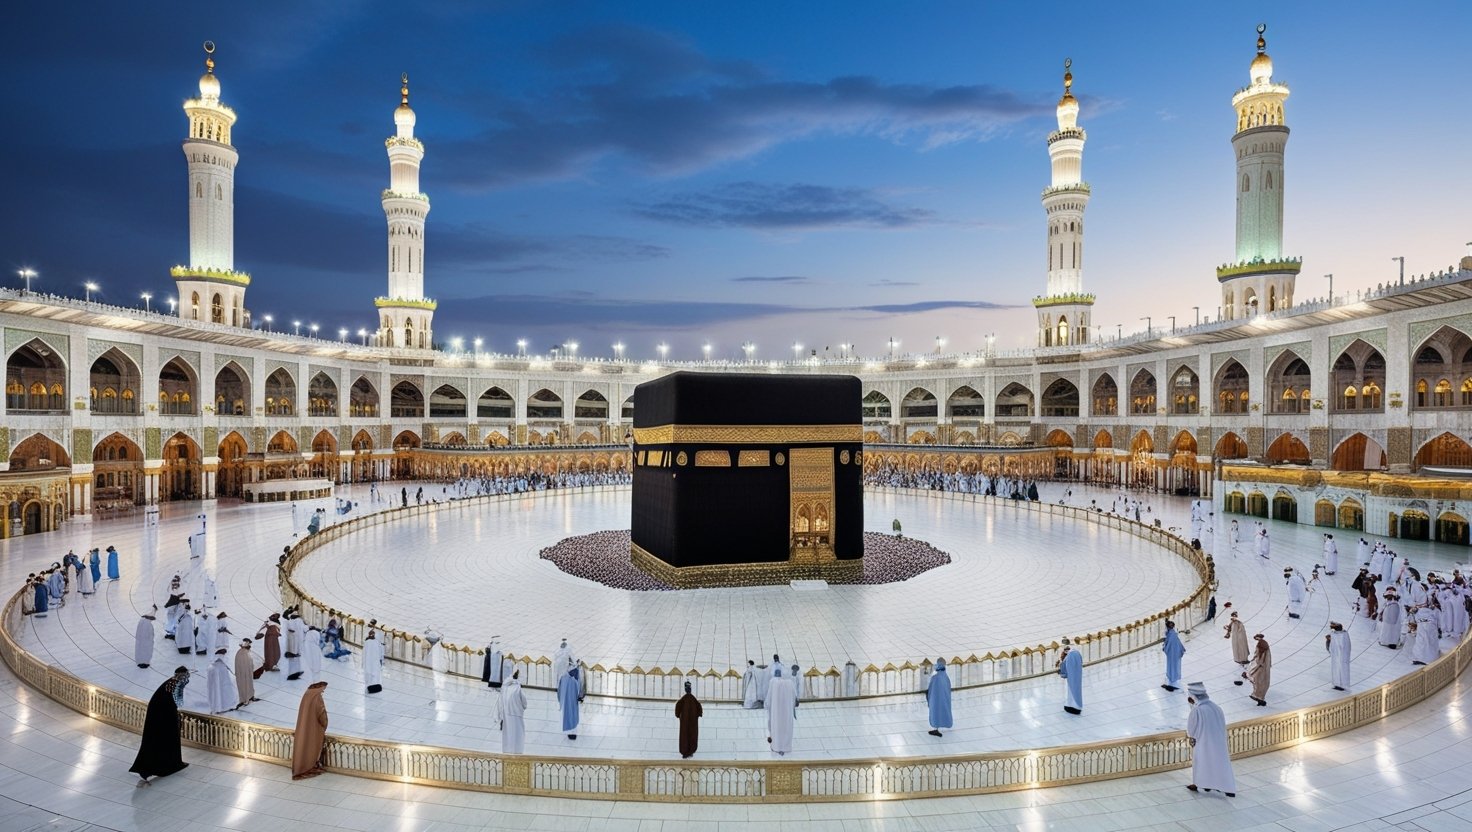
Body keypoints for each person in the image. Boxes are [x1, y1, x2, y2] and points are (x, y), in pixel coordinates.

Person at [129, 667, 191, 786]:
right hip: (163, 715)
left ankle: (165, 765)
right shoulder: (175, 684)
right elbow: (179, 702)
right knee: (165, 739)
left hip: (161, 715)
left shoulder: (171, 682)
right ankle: (166, 765)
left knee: (161, 739)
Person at [1184, 681, 1236, 797]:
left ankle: (1200, 783)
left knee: (1202, 763)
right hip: (1219, 742)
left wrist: (1191, 737)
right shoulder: (1216, 707)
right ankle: (1226, 787)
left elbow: (1191, 729)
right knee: (1219, 763)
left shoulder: (1197, 710)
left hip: (1203, 742)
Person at [291, 681, 330, 780]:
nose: (323, 692)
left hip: (304, 725)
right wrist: (325, 724)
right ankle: (308, 766)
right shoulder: (317, 697)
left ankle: (300, 766)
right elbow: (321, 713)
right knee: (311, 746)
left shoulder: (307, 695)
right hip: (313, 727)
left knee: (303, 744)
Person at [765, 666, 797, 755]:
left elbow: (769, 697)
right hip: (786, 711)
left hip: (776, 712)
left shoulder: (773, 682)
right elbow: (794, 696)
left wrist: (767, 705)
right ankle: (786, 747)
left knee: (776, 727)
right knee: (786, 727)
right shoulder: (789, 683)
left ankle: (777, 746)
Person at [498, 670, 527, 754]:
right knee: (517, 734)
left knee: (508, 733)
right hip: (517, 714)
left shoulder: (505, 687)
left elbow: (501, 702)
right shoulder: (518, 688)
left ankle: (507, 750)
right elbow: (525, 704)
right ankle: (517, 751)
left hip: (507, 714)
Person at [926, 657, 953, 737]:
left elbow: (931, 689)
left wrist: (929, 699)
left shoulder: (935, 677)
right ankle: (938, 727)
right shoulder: (946, 677)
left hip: (935, 700)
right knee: (942, 712)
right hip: (944, 699)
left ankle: (936, 729)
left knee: (935, 713)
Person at [675, 681, 702, 758]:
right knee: (692, 735)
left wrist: (678, 715)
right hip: (693, 721)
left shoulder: (683, 699)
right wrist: (698, 714)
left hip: (684, 721)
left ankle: (685, 752)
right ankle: (690, 751)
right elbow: (699, 708)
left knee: (684, 735)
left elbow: (678, 708)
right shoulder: (693, 699)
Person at [1058, 639, 1083, 714]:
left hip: (1071, 677)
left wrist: (1062, 673)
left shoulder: (1068, 656)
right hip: (1077, 676)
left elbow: (1064, 669)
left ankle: (1073, 707)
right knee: (1077, 690)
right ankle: (1076, 706)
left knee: (1070, 692)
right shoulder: (1076, 652)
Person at [207, 647, 235, 714]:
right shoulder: (221, 663)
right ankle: (222, 707)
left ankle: (216, 707)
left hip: (216, 678)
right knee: (221, 691)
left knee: (215, 692)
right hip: (221, 679)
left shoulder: (212, 664)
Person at [558, 666, 582, 740]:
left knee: (570, 715)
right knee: (573, 716)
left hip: (569, 699)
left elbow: (559, 691)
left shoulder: (564, 677)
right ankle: (572, 732)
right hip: (572, 699)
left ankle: (571, 732)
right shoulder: (573, 676)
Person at [1246, 634, 1271, 705]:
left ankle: (1258, 696)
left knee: (1258, 678)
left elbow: (1258, 653)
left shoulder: (1261, 644)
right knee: (1259, 679)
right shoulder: (1264, 643)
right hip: (1264, 664)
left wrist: (1256, 660)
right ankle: (1259, 697)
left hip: (1261, 664)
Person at [234, 639, 260, 709]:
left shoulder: (242, 652)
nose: (250, 646)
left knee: (248, 684)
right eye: (249, 645)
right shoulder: (242, 653)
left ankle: (251, 697)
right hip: (243, 674)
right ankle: (245, 699)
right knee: (244, 685)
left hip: (247, 673)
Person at [1325, 622, 1351, 691]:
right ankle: (1337, 684)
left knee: (1341, 669)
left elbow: (1340, 645)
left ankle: (1342, 684)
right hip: (1337, 655)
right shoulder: (1342, 634)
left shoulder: (1340, 635)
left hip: (1341, 655)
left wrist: (1329, 640)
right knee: (1336, 669)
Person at [1161, 620, 1186, 691]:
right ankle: (1171, 678)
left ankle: (1173, 679)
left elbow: (1169, 644)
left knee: (1173, 666)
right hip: (1173, 653)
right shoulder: (1171, 633)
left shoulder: (1172, 634)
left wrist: (1164, 648)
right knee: (1172, 665)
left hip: (1173, 653)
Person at [1224, 610, 1249, 677]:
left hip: (1240, 639)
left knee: (1241, 649)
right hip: (1235, 638)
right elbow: (1229, 628)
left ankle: (1243, 660)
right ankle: (1238, 660)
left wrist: (1239, 636)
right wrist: (1227, 628)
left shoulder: (1239, 623)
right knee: (1236, 649)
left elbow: (1242, 631)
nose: (1234, 617)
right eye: (1233, 616)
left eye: (1235, 616)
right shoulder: (1232, 622)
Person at [363, 629, 384, 693]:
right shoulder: (371, 642)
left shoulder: (375, 642)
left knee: (373, 673)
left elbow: (380, 652)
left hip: (373, 661)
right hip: (371, 661)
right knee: (372, 673)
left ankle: (372, 685)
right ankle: (372, 686)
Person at [285, 613, 304, 681]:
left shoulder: (298, 622)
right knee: (293, 660)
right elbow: (291, 630)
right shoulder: (291, 622)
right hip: (292, 646)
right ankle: (292, 675)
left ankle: (296, 674)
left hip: (296, 645)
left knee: (296, 660)